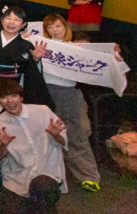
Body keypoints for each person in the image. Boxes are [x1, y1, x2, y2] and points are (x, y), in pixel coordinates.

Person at [0, 79, 68, 214]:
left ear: (21, 97)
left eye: (13, 96)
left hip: (46, 171)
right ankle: (28, 202)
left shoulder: (43, 111)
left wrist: (56, 135)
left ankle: (45, 207)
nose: (10, 101)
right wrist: (3, 145)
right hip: (17, 176)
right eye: (4, 97)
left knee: (43, 188)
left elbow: (63, 141)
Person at [40, 13, 102, 192]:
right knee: (46, 133)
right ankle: (48, 175)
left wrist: (113, 54)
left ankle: (89, 176)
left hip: (68, 93)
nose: (54, 30)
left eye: (58, 26)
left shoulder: (75, 47)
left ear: (65, 27)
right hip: (46, 93)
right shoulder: (41, 46)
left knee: (76, 134)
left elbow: (101, 60)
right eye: (50, 27)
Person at [0, 4, 52, 108]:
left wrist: (35, 59)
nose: (11, 23)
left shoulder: (26, 45)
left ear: (23, 24)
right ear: (2, 21)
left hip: (11, 92)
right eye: (8, 18)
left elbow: (31, 74)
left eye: (16, 19)